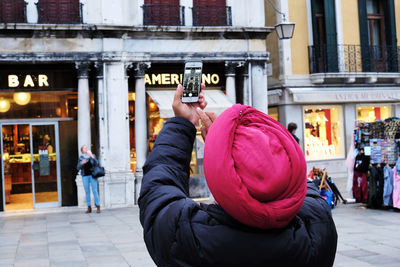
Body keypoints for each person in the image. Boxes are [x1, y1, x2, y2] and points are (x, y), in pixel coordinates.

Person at [139, 85, 337, 266]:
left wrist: (183, 125)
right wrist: (224, 144)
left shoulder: (188, 240)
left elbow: (158, 188)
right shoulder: (319, 233)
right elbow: (291, 174)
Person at [77, 145, 100, 213]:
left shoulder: (93, 155)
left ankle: (98, 206)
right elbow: (78, 167)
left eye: (87, 147)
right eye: (84, 148)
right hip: (85, 176)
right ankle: (89, 207)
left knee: (95, 190)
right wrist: (81, 163)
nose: (86, 148)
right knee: (87, 192)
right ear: (82, 151)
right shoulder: (81, 158)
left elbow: (97, 163)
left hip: (92, 175)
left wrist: (91, 156)